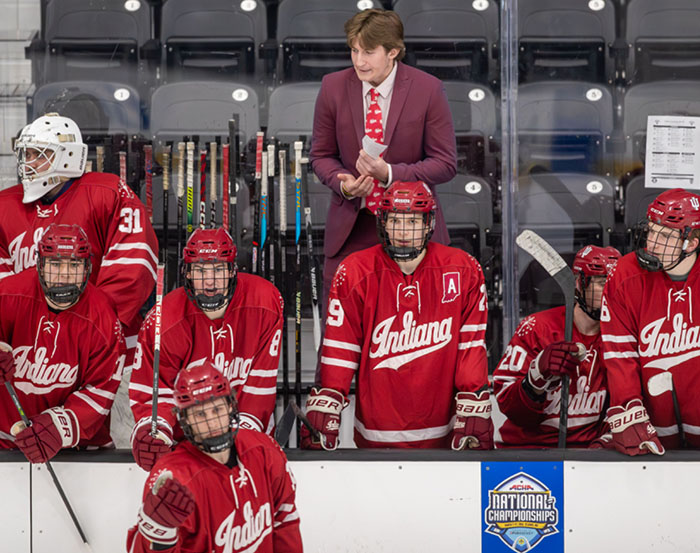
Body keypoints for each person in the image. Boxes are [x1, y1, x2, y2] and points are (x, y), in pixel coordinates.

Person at [301, 181, 492, 450]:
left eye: (413, 222)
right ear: (382, 222)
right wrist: (328, 401)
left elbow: (471, 347)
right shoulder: (355, 270)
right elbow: (340, 349)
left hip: (443, 431)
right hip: (376, 433)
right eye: (395, 221)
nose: (403, 232)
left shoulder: (462, 269)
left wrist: (474, 399)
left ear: (429, 224)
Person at [309, 9, 457, 315]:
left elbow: (445, 163)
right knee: (346, 333)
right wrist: (345, 185)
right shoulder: (332, 87)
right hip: (352, 228)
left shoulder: (428, 89)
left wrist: (390, 173)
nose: (359, 61)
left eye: (368, 52)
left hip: (411, 228)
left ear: (393, 51)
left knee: (414, 330)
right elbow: (321, 156)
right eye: (354, 50)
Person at [1, 112, 158, 355]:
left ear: (68, 155)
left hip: (101, 348)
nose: (29, 163)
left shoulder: (108, 194)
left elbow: (132, 267)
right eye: (27, 154)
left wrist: (93, 325)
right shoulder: (5, 205)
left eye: (39, 154)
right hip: (29, 351)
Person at [129, 228, 283, 471]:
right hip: (185, 447)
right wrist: (154, 432)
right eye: (200, 271)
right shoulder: (163, 320)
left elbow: (259, 388)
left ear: (233, 271)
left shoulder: (265, 302)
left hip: (247, 439)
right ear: (187, 273)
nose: (210, 282)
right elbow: (151, 391)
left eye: (218, 270)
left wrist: (239, 445)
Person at [126, 361, 302, 553]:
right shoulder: (174, 478)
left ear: (230, 407)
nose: (211, 423)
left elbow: (285, 523)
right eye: (200, 414)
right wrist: (159, 540)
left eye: (216, 410)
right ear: (185, 421)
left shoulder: (264, 451)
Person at [0, 224, 125, 461]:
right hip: (5, 442)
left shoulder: (103, 316)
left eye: (74, 265)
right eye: (56, 264)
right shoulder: (8, 294)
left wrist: (58, 427)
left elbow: (101, 389)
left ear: (87, 267)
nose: (65, 274)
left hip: (74, 450)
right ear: (40, 265)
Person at [601, 188, 700, 456]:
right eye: (652, 230)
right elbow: (620, 355)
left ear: (691, 243)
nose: (652, 243)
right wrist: (628, 413)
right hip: (652, 435)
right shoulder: (625, 274)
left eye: (665, 236)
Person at [492, 245, 621, 448]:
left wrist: (607, 443)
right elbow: (507, 403)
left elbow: (626, 404)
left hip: (590, 457)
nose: (610, 293)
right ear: (579, 283)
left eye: (616, 285)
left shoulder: (619, 336)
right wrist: (536, 378)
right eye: (602, 283)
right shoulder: (537, 328)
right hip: (527, 453)